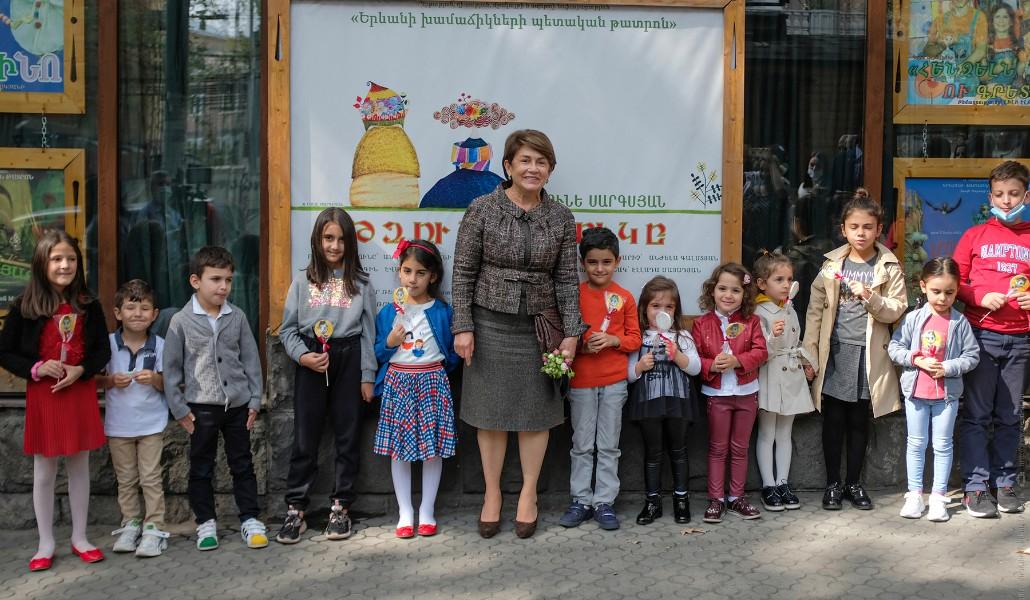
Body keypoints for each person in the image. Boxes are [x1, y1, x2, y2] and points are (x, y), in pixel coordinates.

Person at [451, 129, 585, 539]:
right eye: (525, 160)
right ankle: (492, 494)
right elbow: (463, 272)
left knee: (534, 415)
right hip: (489, 323)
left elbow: (567, 280)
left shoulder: (560, 217)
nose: (533, 168)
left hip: (540, 328)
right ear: (508, 166)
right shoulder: (481, 209)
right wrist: (463, 326)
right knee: (490, 415)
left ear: (550, 170)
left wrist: (572, 333)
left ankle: (528, 494)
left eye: (541, 162)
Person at [0, 230, 111, 571]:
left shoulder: (89, 305)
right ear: (41, 263)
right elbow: (5, 351)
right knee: (45, 471)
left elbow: (102, 350)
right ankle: (45, 542)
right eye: (57, 259)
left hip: (78, 392)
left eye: (71, 259)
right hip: (44, 394)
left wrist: (82, 370)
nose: (65, 265)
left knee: (79, 466)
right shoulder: (25, 306)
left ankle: (80, 537)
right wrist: (36, 367)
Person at [275, 208, 377, 544]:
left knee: (348, 436)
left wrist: (367, 375)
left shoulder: (361, 284)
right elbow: (287, 330)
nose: (334, 246)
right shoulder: (302, 282)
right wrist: (303, 356)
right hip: (312, 360)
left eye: (341, 239)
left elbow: (368, 334)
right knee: (306, 437)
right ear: (317, 241)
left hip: (349, 358)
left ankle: (340, 507)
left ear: (350, 243)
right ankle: (296, 510)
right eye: (328, 238)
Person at [803, 189, 908, 512]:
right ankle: (833, 484)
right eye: (854, 227)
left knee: (860, 421)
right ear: (843, 230)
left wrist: (870, 297)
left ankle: (854, 483)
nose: (861, 233)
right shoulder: (832, 264)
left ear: (879, 230)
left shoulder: (889, 266)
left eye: (867, 227)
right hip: (835, 352)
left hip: (869, 354)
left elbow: (896, 309)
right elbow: (815, 311)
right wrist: (809, 354)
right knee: (833, 419)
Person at [163, 246, 267, 551]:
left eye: (228, 280)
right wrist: (179, 409)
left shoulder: (237, 317)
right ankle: (206, 522)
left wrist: (254, 400)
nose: (224, 287)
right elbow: (170, 369)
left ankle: (250, 518)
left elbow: (251, 360)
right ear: (196, 281)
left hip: (237, 406)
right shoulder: (181, 321)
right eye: (216, 279)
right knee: (201, 467)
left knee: (243, 464)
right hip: (200, 409)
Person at [953, 160, 1030, 518]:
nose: (1007, 201)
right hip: (980, 337)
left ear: (1026, 196)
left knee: (1010, 415)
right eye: (999, 194)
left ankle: (1006, 483)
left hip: (1020, 340)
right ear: (990, 198)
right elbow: (955, 283)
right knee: (977, 415)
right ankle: (975, 486)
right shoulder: (975, 236)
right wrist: (980, 297)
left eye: (1014, 194)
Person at [373, 239, 459, 539]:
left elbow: (452, 352)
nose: (412, 279)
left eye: (420, 273)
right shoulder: (388, 313)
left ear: (433, 276)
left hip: (432, 383)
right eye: (407, 271)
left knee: (432, 450)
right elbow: (377, 352)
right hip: (399, 383)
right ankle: (405, 512)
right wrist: (390, 342)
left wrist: (438, 372)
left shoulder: (442, 312)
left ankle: (427, 510)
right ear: (399, 272)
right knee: (400, 450)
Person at [559, 227, 641, 531]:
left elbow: (635, 338)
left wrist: (612, 340)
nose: (599, 268)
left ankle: (604, 501)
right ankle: (580, 500)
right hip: (581, 382)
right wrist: (582, 345)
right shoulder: (574, 296)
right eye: (592, 262)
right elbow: (562, 335)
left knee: (608, 445)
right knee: (582, 444)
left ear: (617, 261)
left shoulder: (625, 298)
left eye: (606, 262)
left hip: (614, 382)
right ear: (582, 263)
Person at [888, 258, 980, 522]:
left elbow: (972, 356)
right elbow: (895, 347)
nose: (942, 298)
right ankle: (915, 495)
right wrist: (915, 359)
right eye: (936, 291)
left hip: (946, 397)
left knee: (942, 445)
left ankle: (939, 497)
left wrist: (948, 367)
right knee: (916, 443)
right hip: (916, 393)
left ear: (957, 289)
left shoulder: (960, 322)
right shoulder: (913, 318)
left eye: (949, 292)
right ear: (923, 286)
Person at [98, 279, 170, 557]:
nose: (137, 314)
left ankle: (154, 527)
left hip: (152, 424)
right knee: (126, 479)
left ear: (154, 314)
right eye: (130, 307)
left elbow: (171, 384)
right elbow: (94, 381)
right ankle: (130, 523)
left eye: (144, 308)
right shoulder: (108, 345)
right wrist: (110, 381)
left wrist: (154, 379)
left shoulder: (160, 345)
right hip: (118, 426)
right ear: (118, 313)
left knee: (151, 477)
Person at [692, 263, 769, 524]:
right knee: (717, 448)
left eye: (735, 290)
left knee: (740, 448)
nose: (728, 295)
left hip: (746, 392)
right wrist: (711, 365)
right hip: (717, 395)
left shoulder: (752, 321)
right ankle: (716, 499)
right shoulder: (702, 324)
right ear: (712, 291)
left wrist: (738, 361)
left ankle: (736, 497)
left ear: (744, 294)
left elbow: (761, 352)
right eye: (722, 288)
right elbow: (696, 357)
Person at [627, 276, 699, 526]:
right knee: (653, 452)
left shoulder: (682, 336)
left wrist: (678, 356)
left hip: (678, 402)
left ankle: (681, 499)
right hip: (649, 402)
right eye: (656, 306)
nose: (662, 311)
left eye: (669, 306)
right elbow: (628, 374)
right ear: (644, 309)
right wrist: (639, 366)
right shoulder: (639, 338)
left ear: (675, 310)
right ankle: (653, 502)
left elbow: (696, 368)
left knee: (679, 450)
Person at [752, 251, 814, 512]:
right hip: (770, 374)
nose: (786, 285)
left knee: (785, 433)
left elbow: (796, 343)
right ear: (761, 283)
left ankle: (783, 483)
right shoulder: (759, 312)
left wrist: (807, 362)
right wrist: (772, 336)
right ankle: (768, 485)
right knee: (767, 432)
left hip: (791, 374)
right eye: (779, 279)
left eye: (789, 279)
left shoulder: (790, 308)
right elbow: (760, 351)